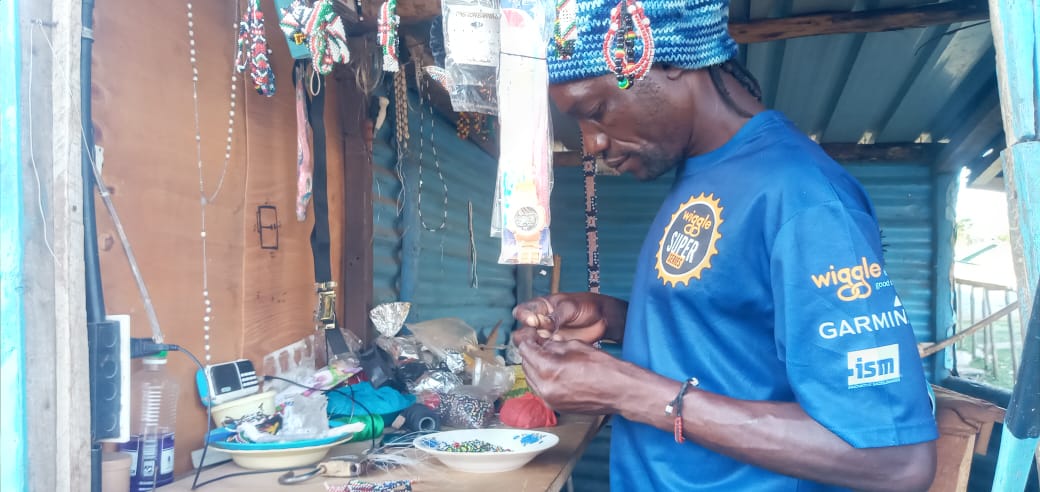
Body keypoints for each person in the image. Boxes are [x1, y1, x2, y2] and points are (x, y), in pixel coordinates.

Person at [512, 0, 940, 490]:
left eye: (596, 112)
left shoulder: (803, 196)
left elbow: (895, 461)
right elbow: (735, 338)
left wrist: (629, 391)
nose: (591, 144)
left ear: (670, 62)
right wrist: (611, 318)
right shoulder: (704, 172)